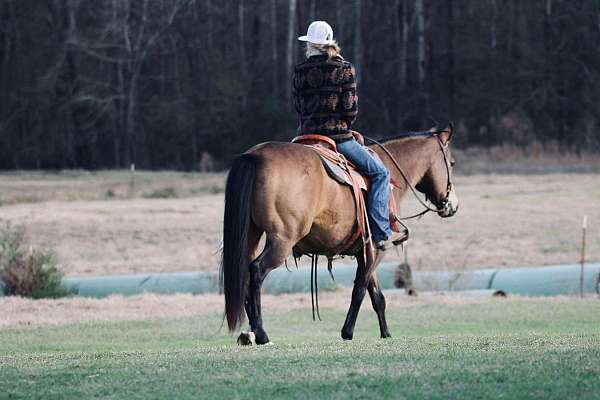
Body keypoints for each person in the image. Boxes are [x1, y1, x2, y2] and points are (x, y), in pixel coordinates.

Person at [293, 21, 406, 250]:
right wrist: (344, 125)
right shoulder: (344, 69)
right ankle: (380, 231)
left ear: (310, 45)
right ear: (329, 43)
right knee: (380, 174)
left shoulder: (300, 70)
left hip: (305, 138)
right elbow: (350, 110)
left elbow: (297, 106)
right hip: (338, 138)